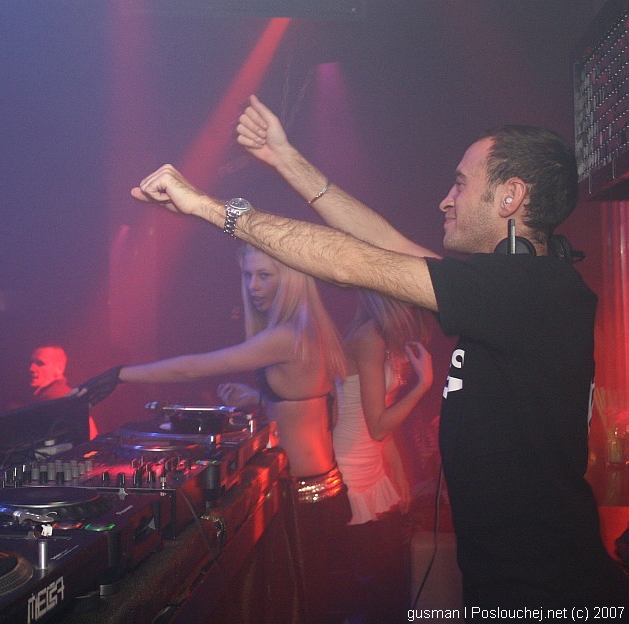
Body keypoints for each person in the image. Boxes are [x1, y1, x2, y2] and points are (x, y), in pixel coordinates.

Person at [130, 98, 629, 610]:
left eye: (460, 184)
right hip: (526, 585)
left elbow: (349, 262)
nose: (446, 200)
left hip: (546, 593)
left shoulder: (525, 289)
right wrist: (285, 158)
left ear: (511, 195)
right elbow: (383, 239)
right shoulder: (519, 288)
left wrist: (210, 208)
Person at [84, 244, 349, 622]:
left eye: (264, 275)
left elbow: (194, 367)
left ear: (291, 279)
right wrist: (259, 396)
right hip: (321, 487)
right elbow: (309, 402)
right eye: (248, 275)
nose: (253, 285)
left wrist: (121, 374)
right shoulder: (307, 328)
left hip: (306, 497)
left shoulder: (286, 335)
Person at [333, 289, 433, 622]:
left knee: (386, 585)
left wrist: (398, 470)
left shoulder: (382, 336)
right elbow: (377, 426)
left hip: (371, 469)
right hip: (351, 473)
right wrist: (423, 385)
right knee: (376, 591)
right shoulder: (369, 338)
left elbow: (381, 416)